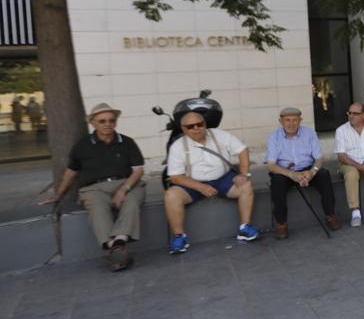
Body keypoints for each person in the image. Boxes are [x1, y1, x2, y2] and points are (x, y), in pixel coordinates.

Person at [40, 102, 145, 271]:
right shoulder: (82, 146)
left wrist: (124, 189)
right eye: (102, 121)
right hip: (94, 188)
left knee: (132, 201)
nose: (108, 124)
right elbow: (71, 172)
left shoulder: (127, 142)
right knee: (97, 206)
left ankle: (116, 245)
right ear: (93, 123)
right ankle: (117, 247)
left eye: (111, 120)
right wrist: (58, 194)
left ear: (116, 122)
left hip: (126, 183)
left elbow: (138, 171)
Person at [164, 112, 258, 253]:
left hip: (223, 178)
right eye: (190, 126)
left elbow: (242, 150)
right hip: (193, 183)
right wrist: (200, 186)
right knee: (171, 195)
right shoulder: (177, 146)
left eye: (199, 124)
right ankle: (179, 237)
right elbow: (175, 177)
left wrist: (244, 174)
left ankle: (245, 228)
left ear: (205, 124)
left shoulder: (219, 135)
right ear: (183, 129)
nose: (196, 128)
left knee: (246, 186)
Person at [266, 107, 339, 238]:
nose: (291, 123)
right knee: (277, 182)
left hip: (307, 169)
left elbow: (319, 158)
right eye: (287, 120)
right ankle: (281, 224)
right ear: (280, 121)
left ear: (300, 121)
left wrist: (311, 172)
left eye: (295, 120)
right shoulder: (274, 136)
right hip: (285, 172)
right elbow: (271, 165)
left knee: (324, 175)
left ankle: (330, 215)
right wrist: (292, 175)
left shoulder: (309, 133)